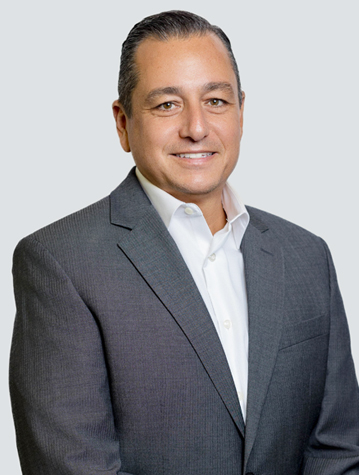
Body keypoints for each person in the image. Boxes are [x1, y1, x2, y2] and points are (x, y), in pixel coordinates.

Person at [9, 10, 359, 475]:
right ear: (122, 122)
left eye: (216, 100)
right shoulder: (61, 263)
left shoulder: (307, 256)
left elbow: (338, 451)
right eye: (167, 105)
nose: (197, 127)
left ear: (240, 111)